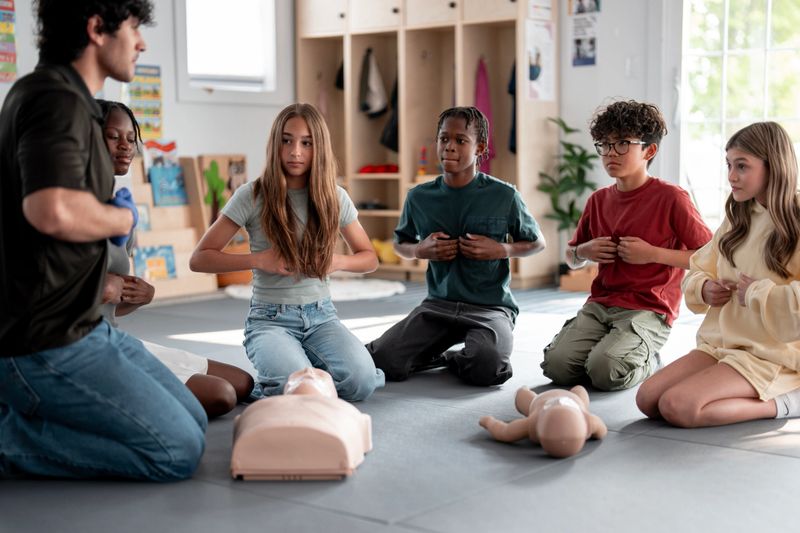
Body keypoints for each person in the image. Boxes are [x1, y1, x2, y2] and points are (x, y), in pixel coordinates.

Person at [0, 0, 206, 480]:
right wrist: (117, 219)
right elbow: (50, 209)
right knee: (176, 451)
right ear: (96, 29)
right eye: (133, 28)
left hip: (87, 328)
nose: (141, 42)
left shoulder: (68, 102)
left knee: (195, 420)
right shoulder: (55, 100)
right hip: (43, 342)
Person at [190, 103, 384, 401]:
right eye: (287, 140)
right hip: (269, 320)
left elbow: (369, 258)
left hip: (322, 318)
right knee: (299, 392)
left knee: (362, 383)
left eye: (306, 143)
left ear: (318, 147)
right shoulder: (251, 195)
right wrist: (259, 260)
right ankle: (289, 375)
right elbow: (199, 259)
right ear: (275, 144)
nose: (295, 151)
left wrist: (337, 261)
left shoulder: (335, 196)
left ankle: (306, 369)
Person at [366, 106, 545, 386]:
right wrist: (418, 251)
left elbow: (537, 243)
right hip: (437, 306)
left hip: (490, 309)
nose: (449, 146)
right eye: (443, 138)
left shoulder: (505, 195)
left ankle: (453, 357)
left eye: (460, 140)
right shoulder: (419, 197)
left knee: (487, 368)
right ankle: (437, 353)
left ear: (480, 148)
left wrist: (503, 250)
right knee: (382, 361)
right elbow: (401, 243)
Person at [636, 122, 800, 427]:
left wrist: (757, 293)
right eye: (728, 165)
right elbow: (698, 266)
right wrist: (704, 288)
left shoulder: (797, 217)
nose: (731, 176)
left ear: (773, 166)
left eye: (742, 166)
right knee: (647, 399)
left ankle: (784, 402)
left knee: (679, 406)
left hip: (770, 353)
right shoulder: (738, 217)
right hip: (722, 344)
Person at [541, 100, 712, 392]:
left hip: (649, 309)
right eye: (604, 145)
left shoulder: (672, 198)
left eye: (622, 143)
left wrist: (653, 254)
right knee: (556, 367)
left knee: (605, 371)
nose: (610, 153)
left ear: (649, 150)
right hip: (601, 305)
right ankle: (613, 351)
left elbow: (709, 257)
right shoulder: (598, 200)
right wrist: (585, 251)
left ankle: (649, 360)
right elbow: (571, 257)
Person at [98, 99, 254, 418]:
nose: (126, 146)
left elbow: (110, 306)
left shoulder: (122, 210)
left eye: (131, 138)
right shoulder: (66, 211)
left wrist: (139, 297)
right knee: (222, 396)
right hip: (89, 348)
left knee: (243, 382)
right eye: (114, 136)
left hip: (112, 334)